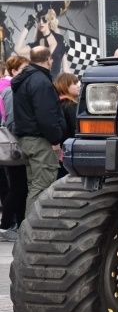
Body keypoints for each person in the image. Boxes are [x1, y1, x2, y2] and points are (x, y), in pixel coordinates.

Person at [11, 46, 65, 214]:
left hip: (27, 140)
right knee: (42, 188)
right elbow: (45, 115)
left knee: (34, 186)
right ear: (49, 59)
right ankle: (33, 232)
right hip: (41, 141)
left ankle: (31, 231)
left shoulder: (24, 79)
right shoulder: (41, 81)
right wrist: (56, 140)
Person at [0, 55, 30, 240]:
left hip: (12, 143)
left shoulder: (12, 88)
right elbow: (11, 119)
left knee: (17, 186)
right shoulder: (10, 89)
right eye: (23, 69)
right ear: (14, 71)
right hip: (13, 144)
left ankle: (16, 224)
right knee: (18, 186)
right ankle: (5, 225)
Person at [14, 6, 67, 77]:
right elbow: (18, 50)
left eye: (44, 19)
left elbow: (66, 68)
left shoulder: (60, 40)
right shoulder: (37, 44)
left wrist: (75, 81)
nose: (41, 22)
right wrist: (28, 26)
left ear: (49, 20)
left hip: (54, 84)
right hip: (40, 82)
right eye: (38, 19)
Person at [54, 73, 80, 179]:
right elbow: (77, 128)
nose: (79, 85)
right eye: (74, 83)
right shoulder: (70, 105)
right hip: (71, 150)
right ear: (65, 86)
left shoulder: (57, 104)